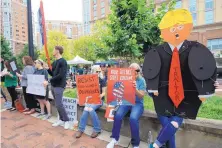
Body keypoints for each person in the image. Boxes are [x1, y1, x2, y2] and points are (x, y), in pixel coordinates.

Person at [142, 9, 219, 148]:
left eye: (179, 27)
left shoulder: (196, 48)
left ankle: (155, 145)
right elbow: (150, 71)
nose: (175, 31)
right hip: (162, 97)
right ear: (164, 31)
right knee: (169, 125)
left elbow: (207, 68)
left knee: (174, 123)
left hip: (186, 97)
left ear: (188, 27)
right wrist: (151, 88)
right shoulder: (158, 51)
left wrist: (207, 89)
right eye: (171, 28)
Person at [106, 63, 146, 148]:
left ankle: (135, 144)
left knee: (133, 118)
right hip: (126, 101)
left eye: (137, 71)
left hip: (137, 103)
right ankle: (114, 139)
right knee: (118, 115)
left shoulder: (141, 80)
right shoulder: (125, 79)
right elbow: (118, 90)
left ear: (139, 72)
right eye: (132, 71)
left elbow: (141, 95)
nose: (135, 72)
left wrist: (135, 89)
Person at [75, 66, 106, 139]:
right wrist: (80, 97)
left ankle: (97, 129)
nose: (98, 73)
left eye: (99, 71)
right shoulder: (88, 80)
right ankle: (81, 129)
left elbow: (104, 93)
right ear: (93, 71)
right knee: (86, 109)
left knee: (90, 109)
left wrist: (100, 95)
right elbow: (83, 90)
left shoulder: (102, 80)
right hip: (90, 100)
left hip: (98, 100)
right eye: (96, 71)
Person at [46, 46, 70, 129]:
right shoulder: (55, 62)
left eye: (53, 49)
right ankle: (61, 119)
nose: (52, 51)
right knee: (57, 104)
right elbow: (53, 74)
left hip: (59, 85)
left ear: (57, 51)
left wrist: (49, 80)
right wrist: (47, 69)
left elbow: (61, 75)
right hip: (53, 85)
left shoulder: (63, 61)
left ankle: (66, 120)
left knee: (59, 104)